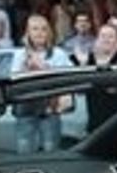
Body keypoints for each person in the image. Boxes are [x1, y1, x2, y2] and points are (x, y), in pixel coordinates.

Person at [10, 14, 72, 156]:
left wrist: (43, 67)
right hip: (25, 107)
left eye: (44, 29)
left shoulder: (59, 54)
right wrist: (25, 67)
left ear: (49, 33)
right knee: (24, 146)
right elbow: (13, 79)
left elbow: (68, 78)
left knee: (51, 148)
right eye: (35, 29)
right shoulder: (19, 54)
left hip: (50, 106)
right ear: (28, 33)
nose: (39, 33)